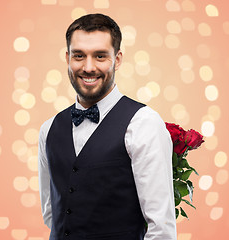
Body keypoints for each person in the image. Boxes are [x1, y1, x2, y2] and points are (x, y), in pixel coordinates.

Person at [38, 13, 177, 240]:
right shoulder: (48, 129)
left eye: (100, 56)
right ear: (67, 58)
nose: (89, 67)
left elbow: (161, 229)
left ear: (118, 59)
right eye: (79, 56)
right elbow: (51, 215)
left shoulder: (144, 123)